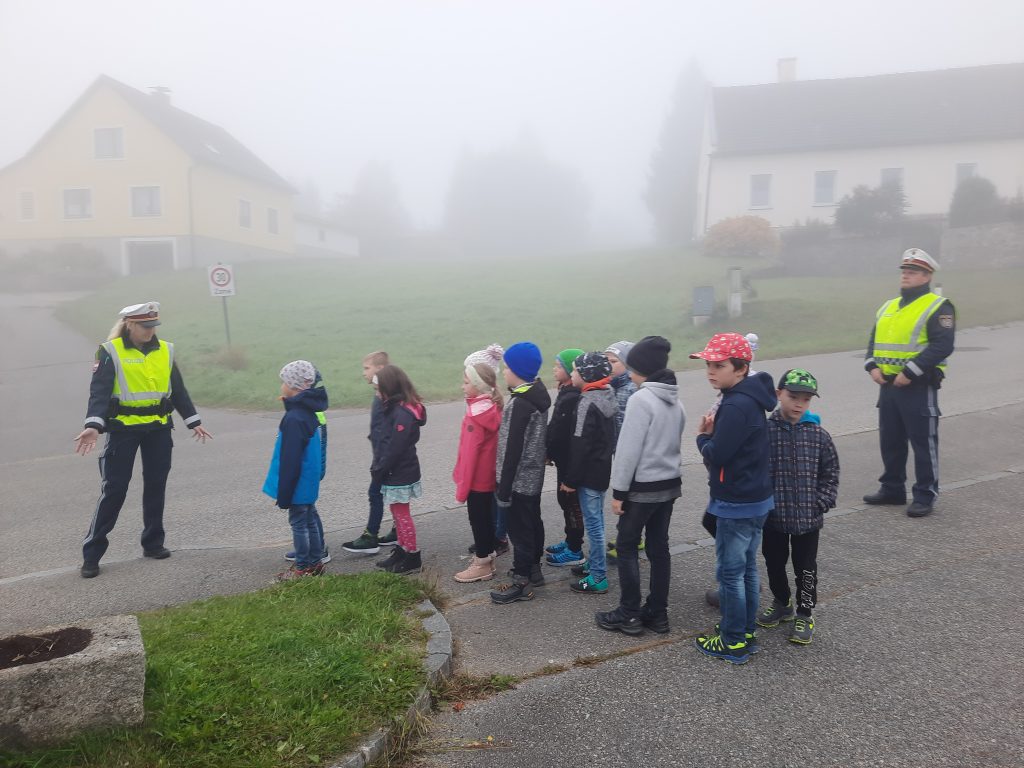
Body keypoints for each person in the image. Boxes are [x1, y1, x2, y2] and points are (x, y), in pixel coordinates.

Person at [75, 302, 212, 579]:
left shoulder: (166, 350)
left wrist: (193, 420)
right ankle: (92, 554)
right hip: (123, 430)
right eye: (144, 326)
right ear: (130, 325)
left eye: (153, 326)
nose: (150, 331)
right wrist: (93, 425)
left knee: (156, 485)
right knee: (115, 490)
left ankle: (153, 543)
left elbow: (178, 389)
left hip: (158, 428)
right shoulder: (110, 351)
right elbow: (99, 392)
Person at [690, 332, 777, 664]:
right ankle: (745, 631)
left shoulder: (735, 405)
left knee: (730, 573)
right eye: (708, 365)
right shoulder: (749, 398)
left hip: (736, 501)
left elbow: (718, 454)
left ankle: (732, 640)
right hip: (756, 497)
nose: (711, 372)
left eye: (719, 365)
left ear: (741, 369)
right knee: (747, 569)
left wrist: (703, 437)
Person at [596, 336, 685, 635]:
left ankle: (629, 613)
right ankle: (658, 614)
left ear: (642, 370)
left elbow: (627, 451)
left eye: (633, 368)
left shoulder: (640, 400)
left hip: (642, 489)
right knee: (659, 549)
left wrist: (619, 492)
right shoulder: (676, 401)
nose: (630, 374)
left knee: (626, 546)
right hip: (669, 486)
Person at [863, 248, 955, 518]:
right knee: (890, 440)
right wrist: (871, 366)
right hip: (888, 385)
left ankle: (925, 494)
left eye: (913, 271)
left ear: (927, 276)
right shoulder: (888, 306)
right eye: (904, 270)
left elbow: (942, 345)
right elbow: (873, 342)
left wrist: (910, 372)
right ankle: (892, 488)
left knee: (923, 443)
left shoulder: (938, 306)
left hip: (918, 385)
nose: (906, 275)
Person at [757, 368, 840, 645]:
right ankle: (782, 603)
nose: (799, 404)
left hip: (808, 519)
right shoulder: (765, 432)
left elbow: (830, 473)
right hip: (773, 517)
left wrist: (821, 502)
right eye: (793, 397)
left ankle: (805, 613)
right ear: (779, 394)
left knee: (805, 569)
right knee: (774, 563)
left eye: (806, 399)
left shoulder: (819, 436)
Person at [489, 342, 551, 605]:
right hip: (533, 476)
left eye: (507, 367)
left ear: (517, 371)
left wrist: (503, 489)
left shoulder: (519, 405)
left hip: (517, 480)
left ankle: (521, 581)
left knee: (519, 530)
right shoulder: (536, 395)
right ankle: (534, 568)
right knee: (533, 522)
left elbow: (512, 450)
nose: (504, 372)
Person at [263, 361, 328, 580]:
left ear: (294, 386)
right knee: (310, 520)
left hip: (298, 484)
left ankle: (302, 568)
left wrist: (284, 494)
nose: (281, 386)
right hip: (308, 482)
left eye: (283, 382)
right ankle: (316, 563)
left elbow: (290, 460)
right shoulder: (307, 412)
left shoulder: (294, 419)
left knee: (299, 524)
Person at [564, 352, 618, 595]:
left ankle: (598, 577)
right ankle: (595, 562)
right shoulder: (608, 394)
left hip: (587, 474)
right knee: (597, 520)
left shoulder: (586, 402)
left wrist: (570, 480)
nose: (572, 374)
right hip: (602, 469)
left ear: (587, 374)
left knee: (594, 525)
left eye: (575, 370)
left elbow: (580, 443)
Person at [453, 344, 505, 583]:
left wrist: (462, 487)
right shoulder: (491, 408)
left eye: (466, 382)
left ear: (478, 385)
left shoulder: (475, 415)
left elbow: (469, 455)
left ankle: (482, 563)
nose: (462, 386)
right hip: (488, 476)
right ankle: (489, 558)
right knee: (485, 518)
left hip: (475, 479)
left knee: (478, 520)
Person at [371, 365, 428, 575]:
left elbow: (395, 447)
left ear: (389, 388)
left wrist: (380, 468)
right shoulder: (395, 407)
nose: (377, 394)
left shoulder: (402, 413)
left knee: (402, 515)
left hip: (399, 471)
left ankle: (412, 555)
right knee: (397, 514)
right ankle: (402, 549)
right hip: (395, 470)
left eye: (378, 389)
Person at [342, 351, 398, 554]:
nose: (363, 372)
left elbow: (388, 431)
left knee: (376, 493)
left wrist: (381, 459)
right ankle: (398, 530)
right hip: (382, 455)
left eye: (367, 368)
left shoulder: (386, 396)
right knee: (391, 494)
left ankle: (371, 536)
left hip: (386, 458)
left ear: (380, 369)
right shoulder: (381, 393)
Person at [284, 368, 331, 566]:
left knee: (306, 514)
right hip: (310, 470)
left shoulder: (307, 413)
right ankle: (314, 551)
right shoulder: (311, 405)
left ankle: (315, 552)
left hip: (306, 472)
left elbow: (306, 448)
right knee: (309, 512)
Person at [543, 348, 585, 567]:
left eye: (559, 366)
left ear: (571, 371)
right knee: (565, 501)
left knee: (571, 504)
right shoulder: (565, 391)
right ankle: (570, 541)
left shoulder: (573, 397)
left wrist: (549, 450)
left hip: (570, 461)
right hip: (562, 459)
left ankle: (575, 550)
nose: (554, 369)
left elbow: (559, 431)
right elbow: (554, 427)